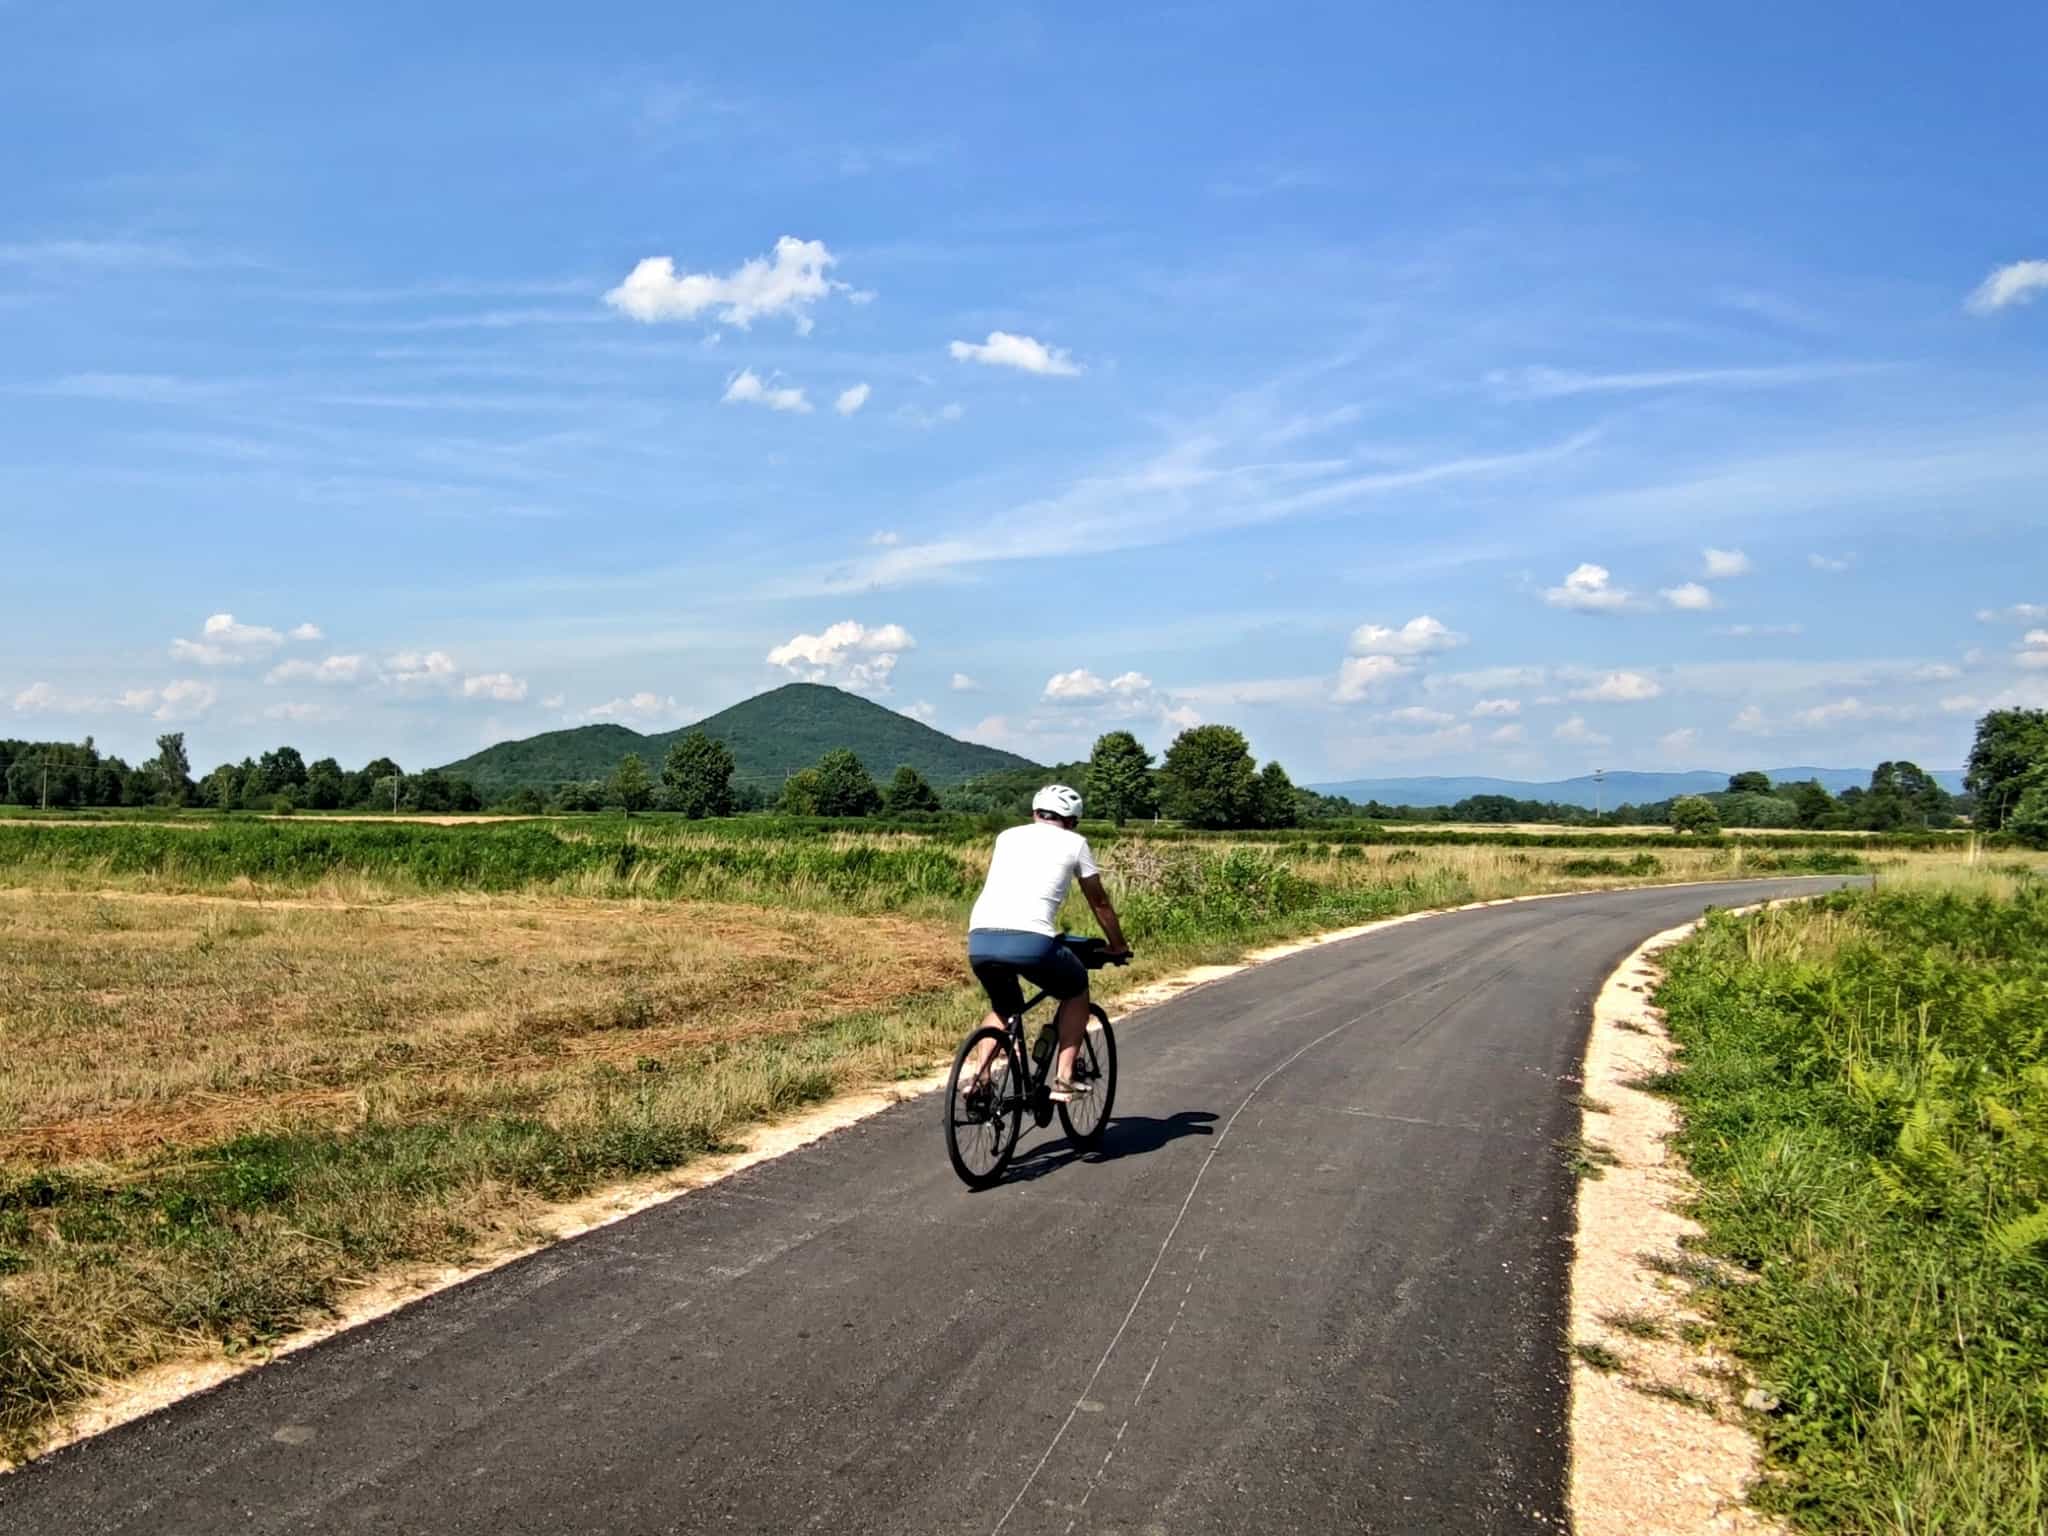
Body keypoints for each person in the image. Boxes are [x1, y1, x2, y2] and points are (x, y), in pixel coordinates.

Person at [963, 784, 1130, 1101]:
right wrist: (1117, 945)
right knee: (1076, 988)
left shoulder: (1007, 836)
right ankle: (1065, 1078)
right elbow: (1100, 902)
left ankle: (979, 1080)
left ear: (1035, 813)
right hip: (1032, 942)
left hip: (981, 937)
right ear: (1072, 820)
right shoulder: (1075, 843)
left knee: (1004, 1007)